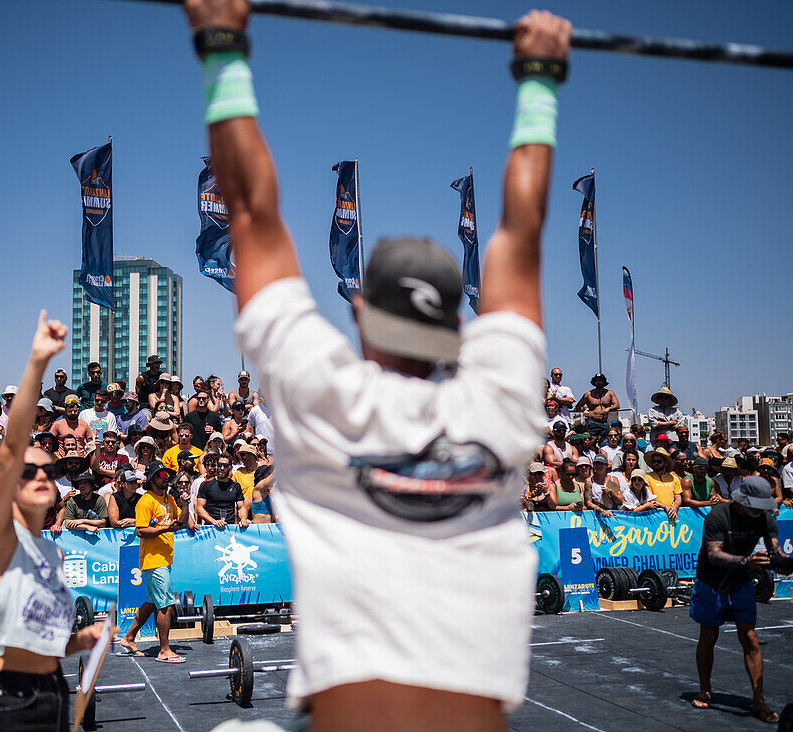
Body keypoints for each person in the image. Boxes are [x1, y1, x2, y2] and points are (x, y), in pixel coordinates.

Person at [189, 0, 569, 724]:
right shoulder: (504, 402)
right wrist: (540, 78)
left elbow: (251, 212)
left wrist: (222, 46)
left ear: (361, 313)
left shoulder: (322, 395)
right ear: (460, 324)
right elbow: (522, 237)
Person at [0, 312, 105, 730]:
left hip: (52, 694)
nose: (41, 475)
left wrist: (82, 641)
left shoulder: (51, 550)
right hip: (6, 701)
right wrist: (38, 363)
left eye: (49, 471)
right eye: (28, 471)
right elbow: (11, 449)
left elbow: (42, 644)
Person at [690, 477, 789, 723]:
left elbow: (776, 549)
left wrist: (782, 560)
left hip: (741, 581)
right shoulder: (718, 516)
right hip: (711, 580)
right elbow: (713, 555)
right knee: (709, 635)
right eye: (754, 505)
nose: (758, 510)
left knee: (750, 638)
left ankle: (759, 700)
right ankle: (705, 688)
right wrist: (747, 561)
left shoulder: (765, 518)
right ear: (741, 500)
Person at [117, 460, 186, 663]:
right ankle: (164, 650)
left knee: (152, 602)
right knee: (165, 603)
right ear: (152, 478)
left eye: (166, 475)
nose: (165, 479)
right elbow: (140, 531)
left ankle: (128, 638)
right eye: (161, 475)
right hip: (153, 560)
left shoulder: (168, 498)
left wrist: (185, 504)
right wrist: (165, 529)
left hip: (164, 558)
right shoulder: (146, 501)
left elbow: (181, 522)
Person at [196, 453, 251, 529]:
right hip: (211, 528)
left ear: (230, 468)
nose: (221, 468)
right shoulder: (206, 484)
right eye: (219, 465)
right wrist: (214, 521)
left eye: (225, 466)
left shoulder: (236, 486)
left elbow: (241, 507)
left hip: (230, 528)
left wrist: (243, 519)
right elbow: (200, 508)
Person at [644, 449, 682, 521]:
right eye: (654, 461)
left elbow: (678, 497)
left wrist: (675, 507)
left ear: (666, 463)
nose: (656, 463)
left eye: (659, 461)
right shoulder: (647, 478)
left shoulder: (674, 478)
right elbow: (650, 499)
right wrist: (666, 507)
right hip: (654, 515)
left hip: (672, 514)